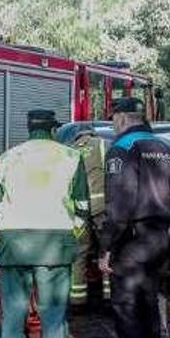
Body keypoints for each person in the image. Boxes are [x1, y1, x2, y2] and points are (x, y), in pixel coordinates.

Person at [0, 110, 89, 338]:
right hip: (55, 247)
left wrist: (8, 230)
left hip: (13, 245)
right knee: (53, 321)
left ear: (29, 129)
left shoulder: (7, 158)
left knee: (13, 319)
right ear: (54, 130)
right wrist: (70, 230)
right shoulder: (71, 156)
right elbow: (83, 207)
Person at [97, 97, 170, 338]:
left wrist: (105, 248)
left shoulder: (121, 149)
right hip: (159, 239)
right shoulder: (165, 147)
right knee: (148, 312)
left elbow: (118, 209)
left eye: (112, 120)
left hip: (132, 243)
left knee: (129, 315)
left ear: (120, 119)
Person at [69, 124, 110, 308]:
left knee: (79, 254)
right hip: (102, 208)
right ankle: (109, 297)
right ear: (92, 133)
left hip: (79, 210)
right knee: (107, 251)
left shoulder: (69, 150)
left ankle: (77, 300)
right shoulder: (103, 145)